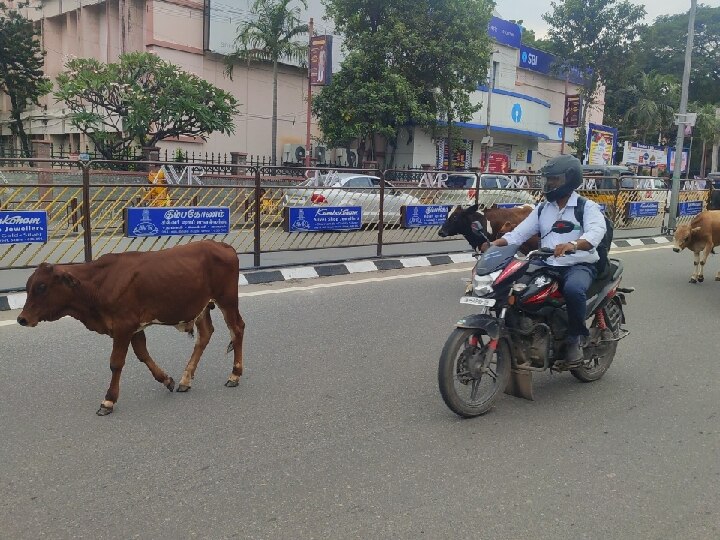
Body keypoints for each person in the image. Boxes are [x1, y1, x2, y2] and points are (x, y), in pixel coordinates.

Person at [484, 154, 607, 365]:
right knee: (514, 287)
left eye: (554, 179)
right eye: (547, 179)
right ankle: (521, 332)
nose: (549, 184)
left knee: (573, 290)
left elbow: (597, 232)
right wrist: (495, 244)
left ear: (569, 180)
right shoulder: (542, 209)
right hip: (546, 263)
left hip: (578, 264)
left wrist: (574, 245)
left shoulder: (586, 207)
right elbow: (518, 235)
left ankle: (575, 338)